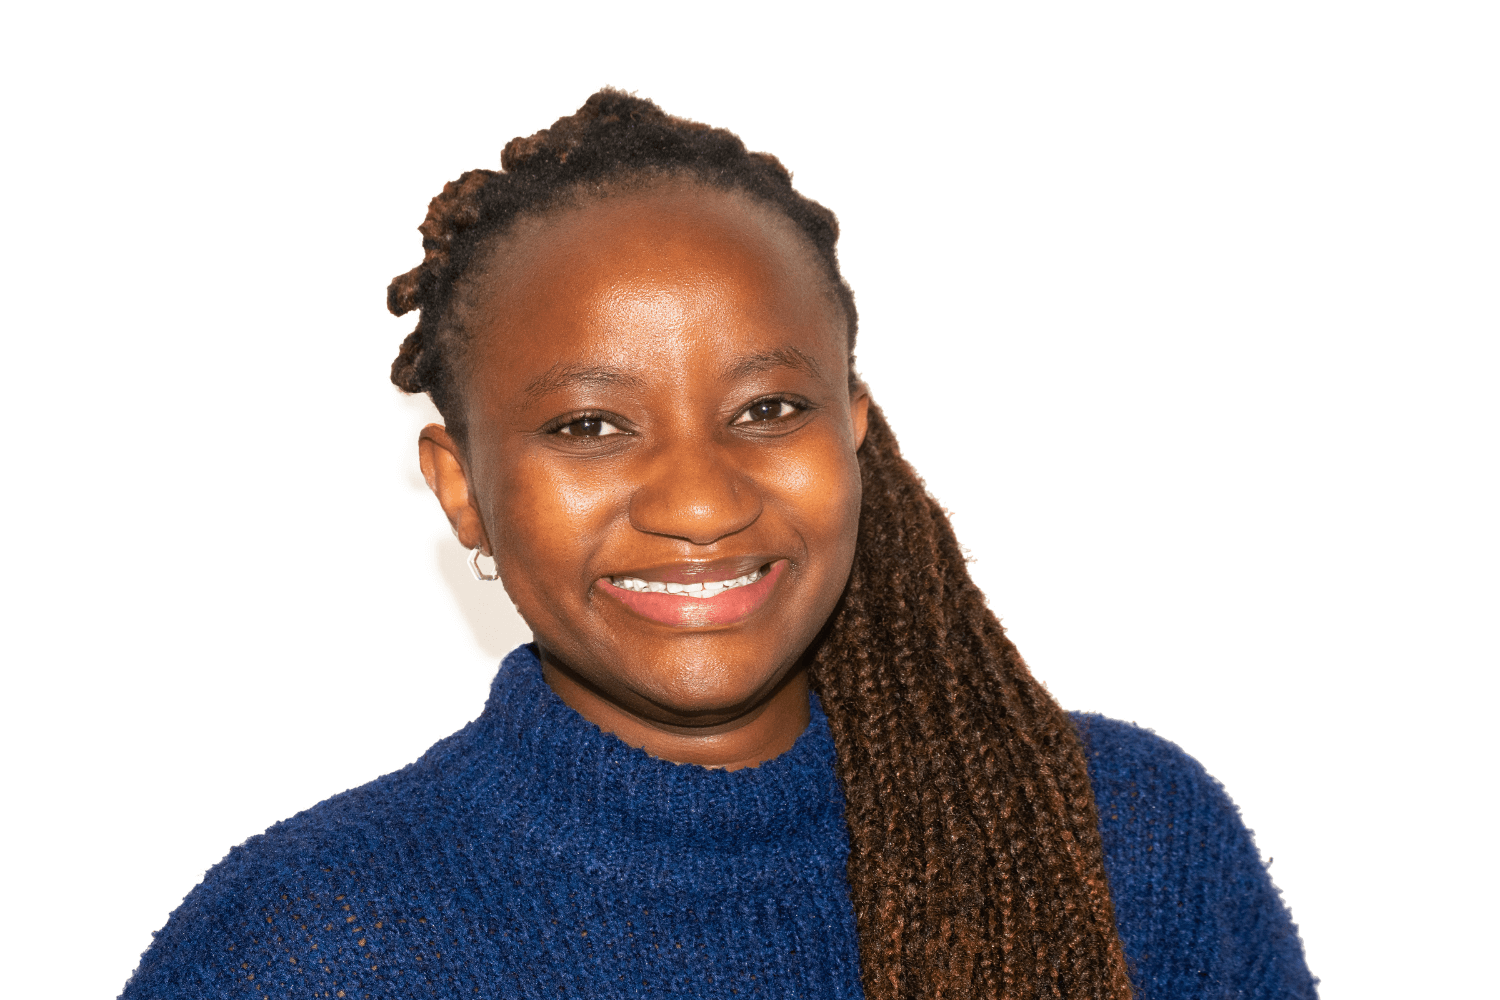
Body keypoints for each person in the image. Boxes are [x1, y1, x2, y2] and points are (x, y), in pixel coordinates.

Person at [120, 90, 1316, 1000]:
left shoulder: (1121, 839)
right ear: (463, 490)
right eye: (589, 425)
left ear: (853, 434)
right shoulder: (307, 944)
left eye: (768, 410)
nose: (699, 502)